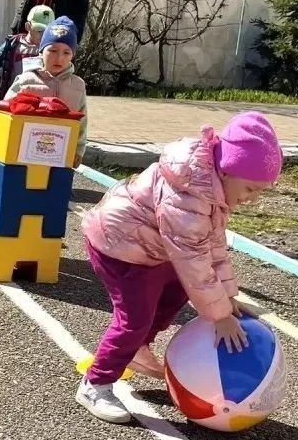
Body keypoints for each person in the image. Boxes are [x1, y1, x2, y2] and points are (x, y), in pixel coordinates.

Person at [75, 112, 282, 423]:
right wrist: (220, 315)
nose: (251, 199)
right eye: (251, 189)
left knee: (177, 289)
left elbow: (213, 246)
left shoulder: (211, 186)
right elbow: (193, 259)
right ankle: (96, 384)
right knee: (134, 318)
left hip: (150, 248)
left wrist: (228, 296)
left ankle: (139, 348)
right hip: (117, 247)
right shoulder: (189, 193)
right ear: (228, 169)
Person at [4, 16, 88, 167]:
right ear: (41, 51)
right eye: (53, 50)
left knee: (54, 189)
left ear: (73, 55)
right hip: (25, 154)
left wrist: (78, 150)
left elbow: (82, 122)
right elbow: (6, 113)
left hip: (60, 155)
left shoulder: (77, 86)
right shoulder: (26, 80)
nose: (59, 57)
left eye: (66, 53)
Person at [0, 4, 53, 101]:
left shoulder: (50, 49)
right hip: (11, 98)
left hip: (38, 103)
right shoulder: (13, 44)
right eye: (40, 31)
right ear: (28, 26)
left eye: (47, 32)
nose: (43, 36)